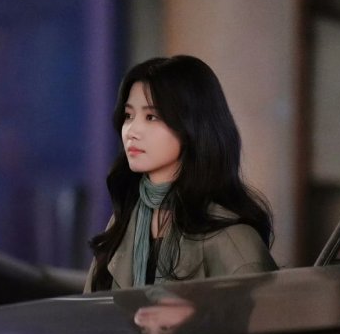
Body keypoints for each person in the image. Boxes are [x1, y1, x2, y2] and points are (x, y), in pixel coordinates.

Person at [85, 55, 277, 293]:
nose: (132, 131)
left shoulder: (232, 238)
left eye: (151, 117)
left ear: (191, 125)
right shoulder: (123, 221)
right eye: (128, 116)